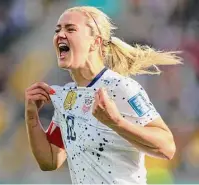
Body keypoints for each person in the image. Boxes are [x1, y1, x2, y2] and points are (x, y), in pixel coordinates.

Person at [25, 6, 181, 184]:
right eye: (57, 30)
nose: (60, 34)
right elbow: (50, 160)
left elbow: (167, 147)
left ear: (95, 42)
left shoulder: (121, 87)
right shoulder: (67, 97)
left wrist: (116, 122)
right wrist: (32, 119)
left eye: (70, 29)